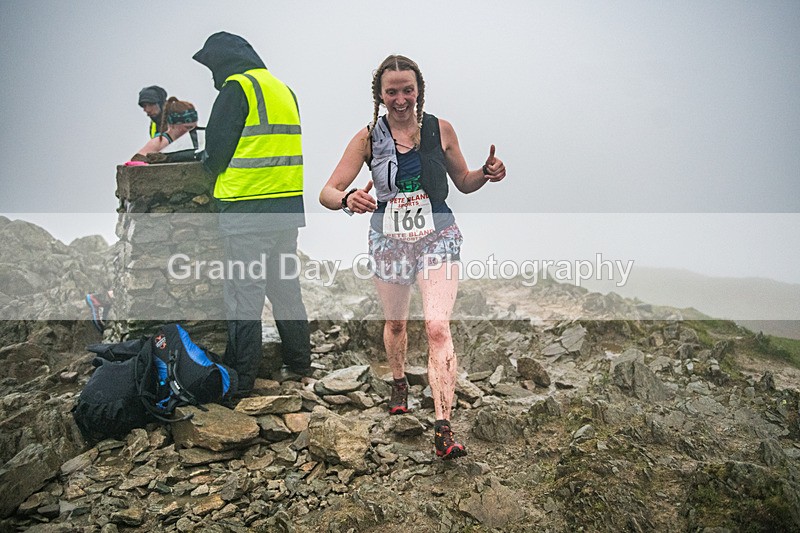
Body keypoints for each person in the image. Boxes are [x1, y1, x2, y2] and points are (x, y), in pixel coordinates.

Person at [319, 55, 506, 459]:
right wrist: (348, 198)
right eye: (392, 92)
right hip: (389, 240)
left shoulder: (441, 130)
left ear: (419, 90)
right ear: (380, 95)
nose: (401, 99)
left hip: (438, 235)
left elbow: (464, 182)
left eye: (408, 90)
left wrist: (486, 173)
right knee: (396, 323)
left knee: (437, 327)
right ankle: (399, 381)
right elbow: (327, 192)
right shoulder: (368, 138)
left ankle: (443, 428)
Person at [193, 32, 311, 395]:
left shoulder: (237, 89)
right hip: (286, 208)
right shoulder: (283, 89)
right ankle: (300, 364)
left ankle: (240, 381)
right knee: (285, 290)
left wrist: (206, 165)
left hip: (246, 211)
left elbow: (216, 153)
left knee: (244, 297)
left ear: (222, 62)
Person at [130, 97, 199, 161]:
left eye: (195, 127)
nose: (193, 131)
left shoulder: (192, 141)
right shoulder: (160, 142)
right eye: (188, 127)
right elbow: (134, 163)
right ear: (172, 125)